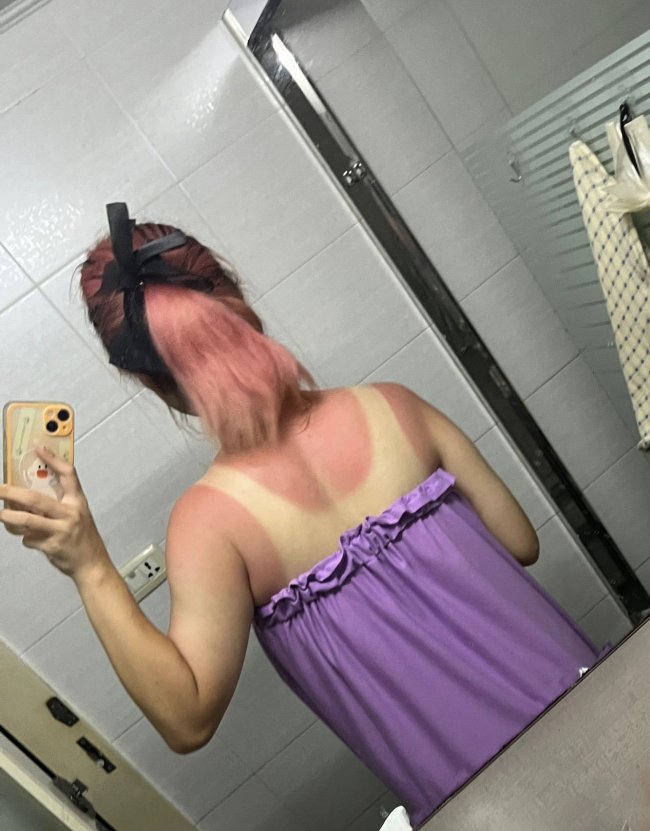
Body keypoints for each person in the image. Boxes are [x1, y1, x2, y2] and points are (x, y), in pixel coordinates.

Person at [0, 204, 606, 827]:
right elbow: (519, 541)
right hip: (603, 705)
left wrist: (90, 566)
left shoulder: (209, 524)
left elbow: (187, 719)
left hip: (496, 805)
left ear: (149, 381)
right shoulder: (395, 407)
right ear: (237, 299)